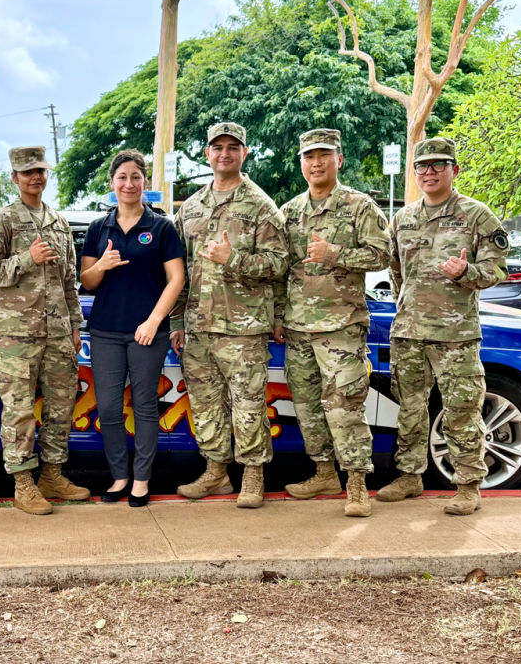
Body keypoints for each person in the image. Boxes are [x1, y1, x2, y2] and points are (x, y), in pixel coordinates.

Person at [377, 137, 509, 515]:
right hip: (409, 332)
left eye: (438, 165)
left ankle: (467, 484)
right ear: (415, 172)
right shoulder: (403, 218)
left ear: (454, 170)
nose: (429, 172)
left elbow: (498, 268)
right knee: (409, 409)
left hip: (456, 336)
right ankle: (409, 476)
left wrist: (466, 272)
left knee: (461, 409)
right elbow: (397, 272)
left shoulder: (477, 215)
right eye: (422, 166)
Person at [170, 122, 289, 509]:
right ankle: (216, 471)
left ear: (244, 152)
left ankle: (253, 475)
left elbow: (279, 264)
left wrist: (233, 259)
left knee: (248, 403)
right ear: (207, 154)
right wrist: (176, 321)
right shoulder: (190, 208)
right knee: (205, 403)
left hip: (242, 327)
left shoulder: (260, 205)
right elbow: (178, 271)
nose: (224, 153)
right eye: (217, 147)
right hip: (198, 326)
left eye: (232, 147)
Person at [272, 129, 390, 517]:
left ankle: (357, 483)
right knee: (306, 406)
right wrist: (277, 317)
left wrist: (333, 252)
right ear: (301, 163)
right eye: (309, 156)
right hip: (298, 327)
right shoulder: (288, 212)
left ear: (339, 159)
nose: (316, 162)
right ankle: (324, 472)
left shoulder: (360, 206)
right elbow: (279, 271)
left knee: (345, 405)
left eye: (324, 155)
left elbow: (381, 255)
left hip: (341, 326)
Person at [0, 146, 87, 515]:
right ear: (14, 178)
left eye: (40, 171)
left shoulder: (58, 222)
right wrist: (27, 259)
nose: (35, 177)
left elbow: (69, 280)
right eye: (27, 172)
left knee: (60, 407)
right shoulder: (3, 220)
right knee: (20, 410)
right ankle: (23, 483)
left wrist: (74, 325)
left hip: (57, 333)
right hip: (16, 335)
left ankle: (52, 475)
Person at [79, 150, 185, 507]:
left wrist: (154, 321)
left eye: (135, 177)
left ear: (145, 183)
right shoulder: (99, 228)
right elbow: (87, 282)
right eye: (122, 177)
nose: (129, 184)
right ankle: (119, 476)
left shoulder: (161, 227)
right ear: (112, 184)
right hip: (106, 331)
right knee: (108, 408)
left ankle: (141, 480)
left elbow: (177, 278)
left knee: (144, 406)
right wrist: (103, 266)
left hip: (147, 333)